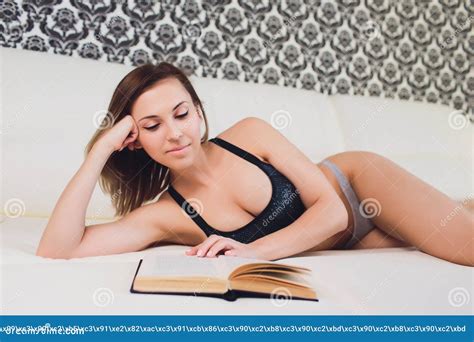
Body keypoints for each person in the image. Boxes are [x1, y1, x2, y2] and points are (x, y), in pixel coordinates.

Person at [36, 62, 474, 267]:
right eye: (152, 125)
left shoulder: (249, 134)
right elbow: (58, 249)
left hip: (357, 187)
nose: (174, 133)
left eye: (182, 114)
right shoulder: (167, 214)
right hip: (347, 245)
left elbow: (334, 210)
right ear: (135, 140)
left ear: (199, 112)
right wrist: (100, 150)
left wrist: (253, 251)